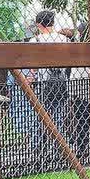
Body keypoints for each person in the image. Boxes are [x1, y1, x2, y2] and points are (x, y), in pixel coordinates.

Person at [11, 9, 72, 167]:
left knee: (39, 118)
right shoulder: (64, 40)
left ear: (39, 24)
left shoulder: (35, 41)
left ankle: (37, 151)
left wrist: (30, 78)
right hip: (60, 83)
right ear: (52, 22)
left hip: (43, 84)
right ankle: (59, 150)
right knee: (58, 118)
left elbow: (33, 66)